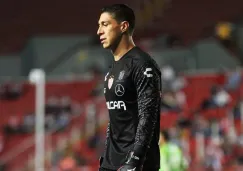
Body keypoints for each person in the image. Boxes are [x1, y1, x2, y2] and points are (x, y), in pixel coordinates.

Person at [97, 4, 162, 171]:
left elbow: (147, 116)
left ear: (123, 26)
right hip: (111, 163)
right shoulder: (113, 68)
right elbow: (116, 118)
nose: (99, 31)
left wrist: (135, 160)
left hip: (136, 164)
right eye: (99, 25)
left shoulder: (142, 64)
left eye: (105, 24)